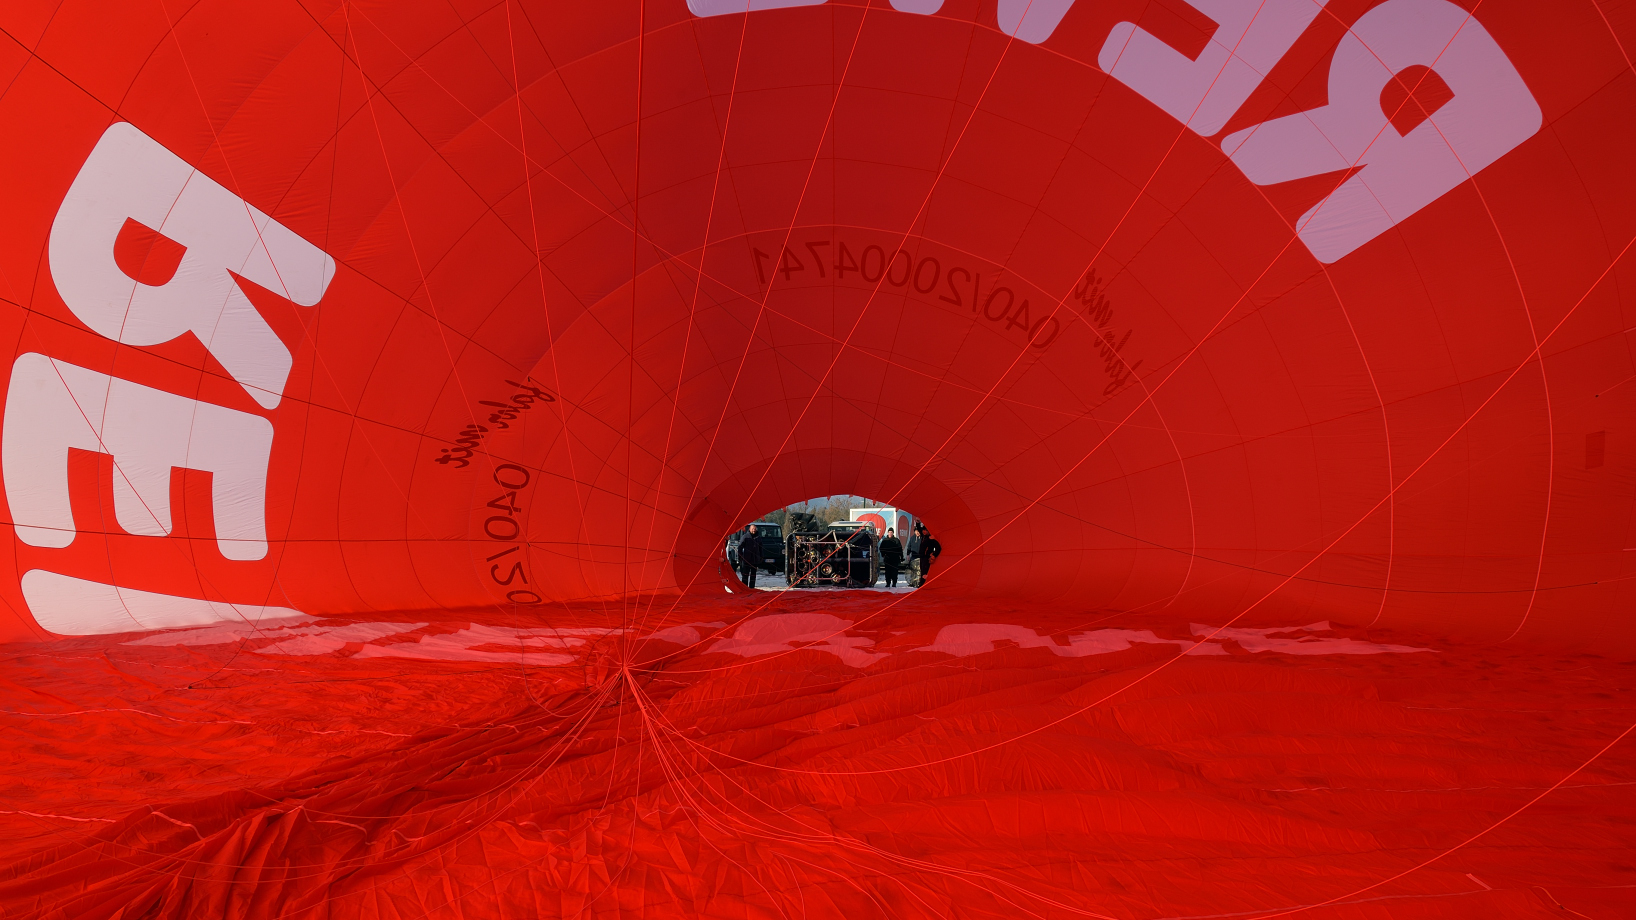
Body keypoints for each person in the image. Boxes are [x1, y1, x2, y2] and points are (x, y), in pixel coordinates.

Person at [738, 524, 763, 589]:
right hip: (747, 559)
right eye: (752, 529)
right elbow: (740, 547)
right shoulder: (745, 537)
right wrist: (740, 556)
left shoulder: (758, 538)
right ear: (749, 529)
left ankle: (751, 587)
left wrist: (761, 556)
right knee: (745, 574)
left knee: (753, 575)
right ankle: (744, 587)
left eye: (755, 529)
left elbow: (761, 548)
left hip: (755, 559)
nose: (754, 530)